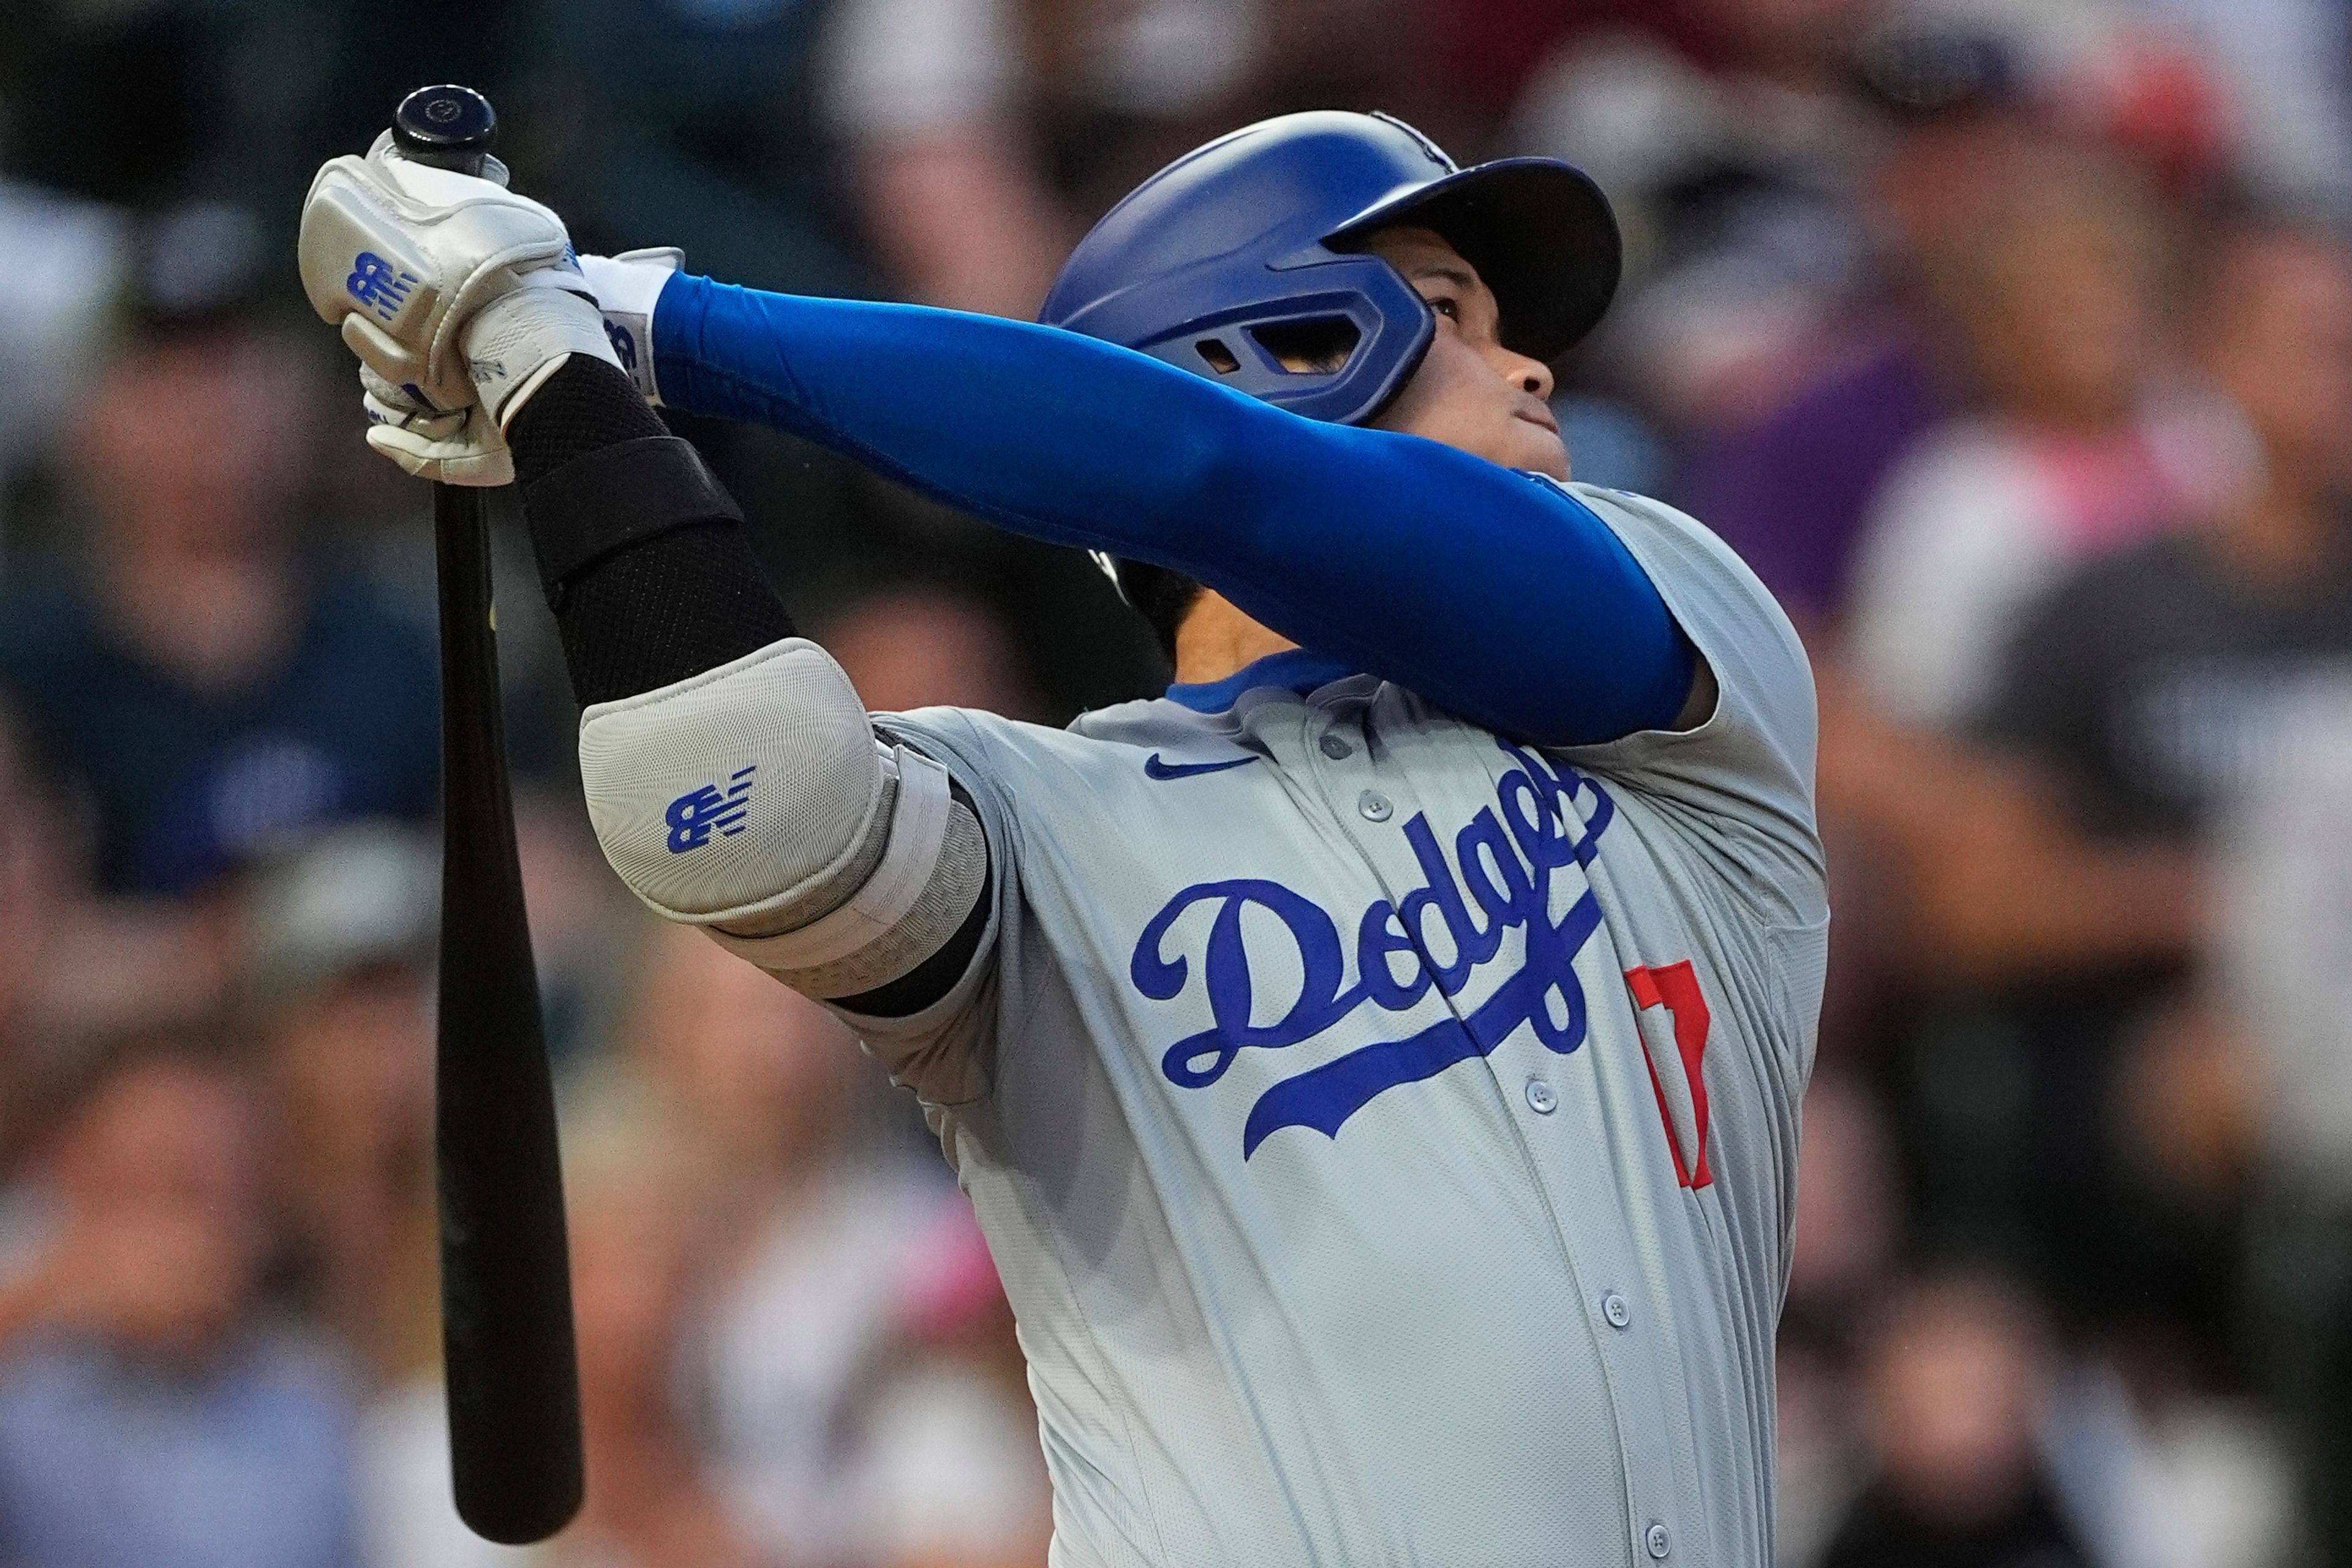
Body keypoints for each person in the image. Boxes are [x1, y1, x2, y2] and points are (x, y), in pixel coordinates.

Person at [299, 108, 1826, 1563]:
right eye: (1454, 311)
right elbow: (742, 792)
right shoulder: (1045, 812)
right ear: (1283, 344)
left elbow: (1222, 476)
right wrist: (558, 395)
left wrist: (638, 325)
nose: (1537, 369)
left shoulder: (1687, 663)